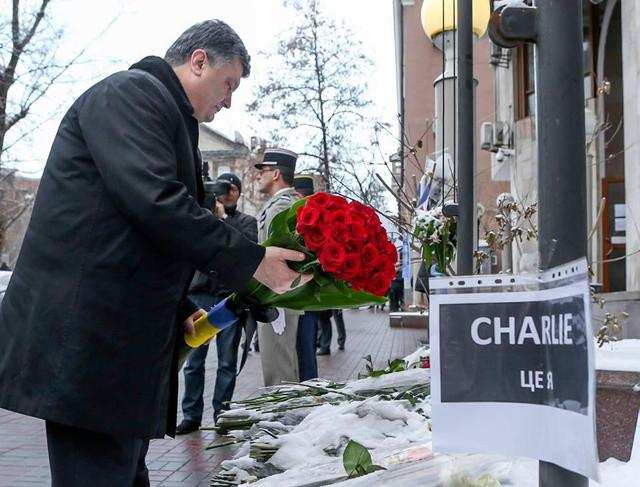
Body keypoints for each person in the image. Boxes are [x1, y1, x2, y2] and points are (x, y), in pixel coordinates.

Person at [0, 20, 310, 487]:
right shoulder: (130, 94)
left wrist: (180, 308)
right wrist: (252, 262)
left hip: (114, 350)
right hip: (91, 349)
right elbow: (156, 202)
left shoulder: (164, 112)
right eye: (229, 84)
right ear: (199, 61)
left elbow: (134, 236)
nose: (229, 101)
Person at [176, 173, 257, 435]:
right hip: (198, 295)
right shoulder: (201, 217)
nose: (227, 192)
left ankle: (222, 414)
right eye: (223, 188)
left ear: (239, 192)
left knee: (226, 361)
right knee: (193, 361)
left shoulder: (247, 222)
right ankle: (191, 415)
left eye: (232, 188)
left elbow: (244, 250)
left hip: (228, 299)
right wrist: (210, 218)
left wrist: (222, 221)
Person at [255, 148, 302, 386]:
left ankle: (285, 411)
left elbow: (279, 256)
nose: (258, 175)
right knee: (281, 365)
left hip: (277, 297)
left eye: (262, 170)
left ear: (275, 174)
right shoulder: (279, 204)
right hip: (277, 296)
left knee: (278, 372)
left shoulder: (281, 207)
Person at [293, 175, 319, 381]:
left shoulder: (307, 221)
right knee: (306, 351)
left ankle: (309, 392)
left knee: (303, 352)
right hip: (307, 301)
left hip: (300, 299)